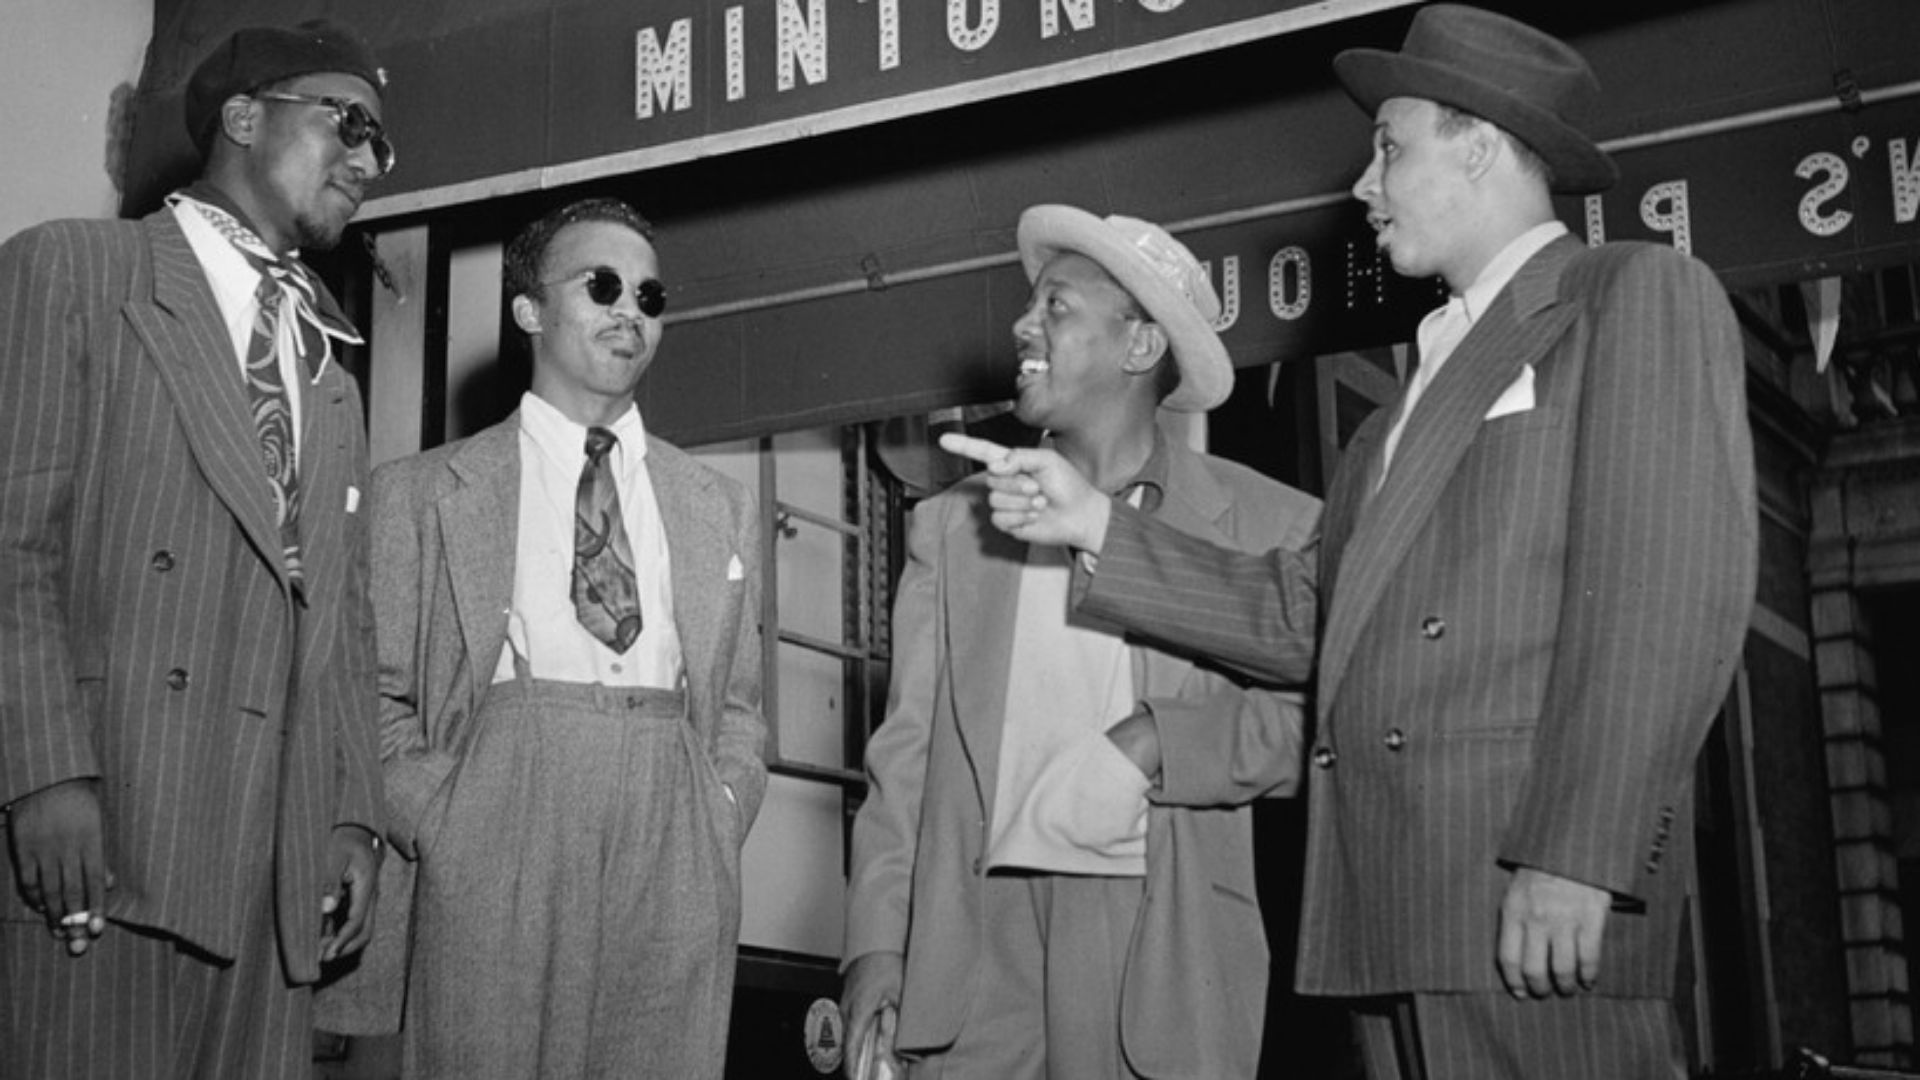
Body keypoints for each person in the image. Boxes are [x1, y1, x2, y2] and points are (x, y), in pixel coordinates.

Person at [944, 6, 1757, 1078]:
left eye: (1389, 148)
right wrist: (1091, 522)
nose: (1365, 186)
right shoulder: (1395, 415)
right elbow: (1308, 620)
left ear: (1475, 142)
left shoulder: (1632, 298)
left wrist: (1582, 855)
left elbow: (1670, 590)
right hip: (1391, 906)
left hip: (1528, 890)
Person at [842, 204, 1320, 1080]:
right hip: (973, 952)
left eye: (1056, 306)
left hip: (1160, 943)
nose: (1023, 325)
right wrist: (875, 946)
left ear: (1140, 345)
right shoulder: (952, 525)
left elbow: (1321, 722)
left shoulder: (1268, 525)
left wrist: (1153, 745)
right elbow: (903, 759)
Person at [0, 19, 390, 1079]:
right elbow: (8, 548)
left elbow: (340, 619)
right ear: (243, 117)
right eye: (348, 123)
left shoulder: (332, 377)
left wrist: (352, 815)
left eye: (380, 143)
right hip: (110, 835)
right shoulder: (76, 270)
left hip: (273, 883)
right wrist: (43, 778)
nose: (366, 159)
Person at [366, 197, 767, 1079]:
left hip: (673, 820)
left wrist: (720, 811)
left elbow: (738, 705)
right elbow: (376, 696)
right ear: (528, 309)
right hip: (499, 808)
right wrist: (447, 821)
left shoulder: (718, 505)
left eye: (651, 297)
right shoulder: (422, 492)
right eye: (603, 286)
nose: (632, 311)